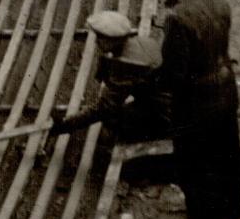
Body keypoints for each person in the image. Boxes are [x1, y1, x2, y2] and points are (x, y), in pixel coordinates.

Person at [148, 0, 240, 219]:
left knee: (195, 167)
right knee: (228, 153)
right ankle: (234, 206)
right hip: (227, 89)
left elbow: (176, 73)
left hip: (197, 104)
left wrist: (148, 82)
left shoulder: (177, 18)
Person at [50, 10, 163, 141]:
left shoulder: (126, 65)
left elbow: (104, 108)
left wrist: (65, 125)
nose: (96, 42)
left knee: (111, 118)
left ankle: (137, 139)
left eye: (100, 38)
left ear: (112, 40)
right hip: (164, 99)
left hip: (162, 112)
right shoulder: (143, 42)